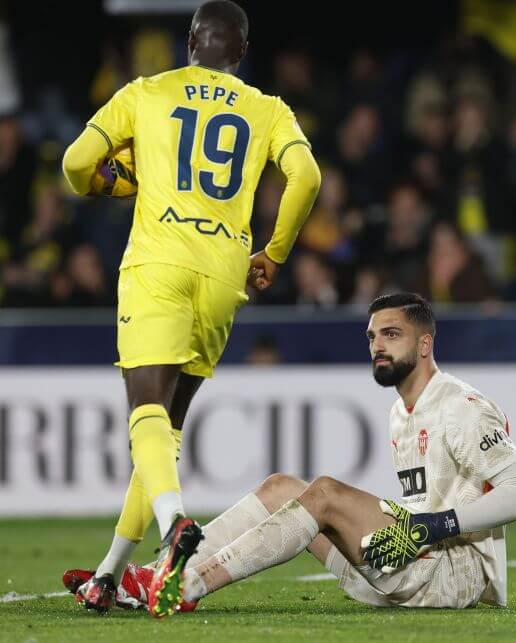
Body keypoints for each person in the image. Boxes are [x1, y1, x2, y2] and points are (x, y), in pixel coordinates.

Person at [59, 0, 321, 617]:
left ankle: (175, 524)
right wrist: (276, 253)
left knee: (145, 412)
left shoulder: (146, 92)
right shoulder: (266, 108)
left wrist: (99, 185)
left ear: (190, 42)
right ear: (242, 53)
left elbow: (74, 163)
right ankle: (109, 574)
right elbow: (306, 176)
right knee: (166, 430)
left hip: (159, 262)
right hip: (226, 272)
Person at [62, 293, 516, 611]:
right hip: (412, 555)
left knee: (326, 493)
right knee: (280, 487)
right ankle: (157, 573)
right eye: (372, 336)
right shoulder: (402, 413)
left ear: (426, 343)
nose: (377, 345)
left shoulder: (461, 408)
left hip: (456, 573)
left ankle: (189, 586)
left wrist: (430, 526)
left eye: (391, 335)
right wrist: (413, 526)